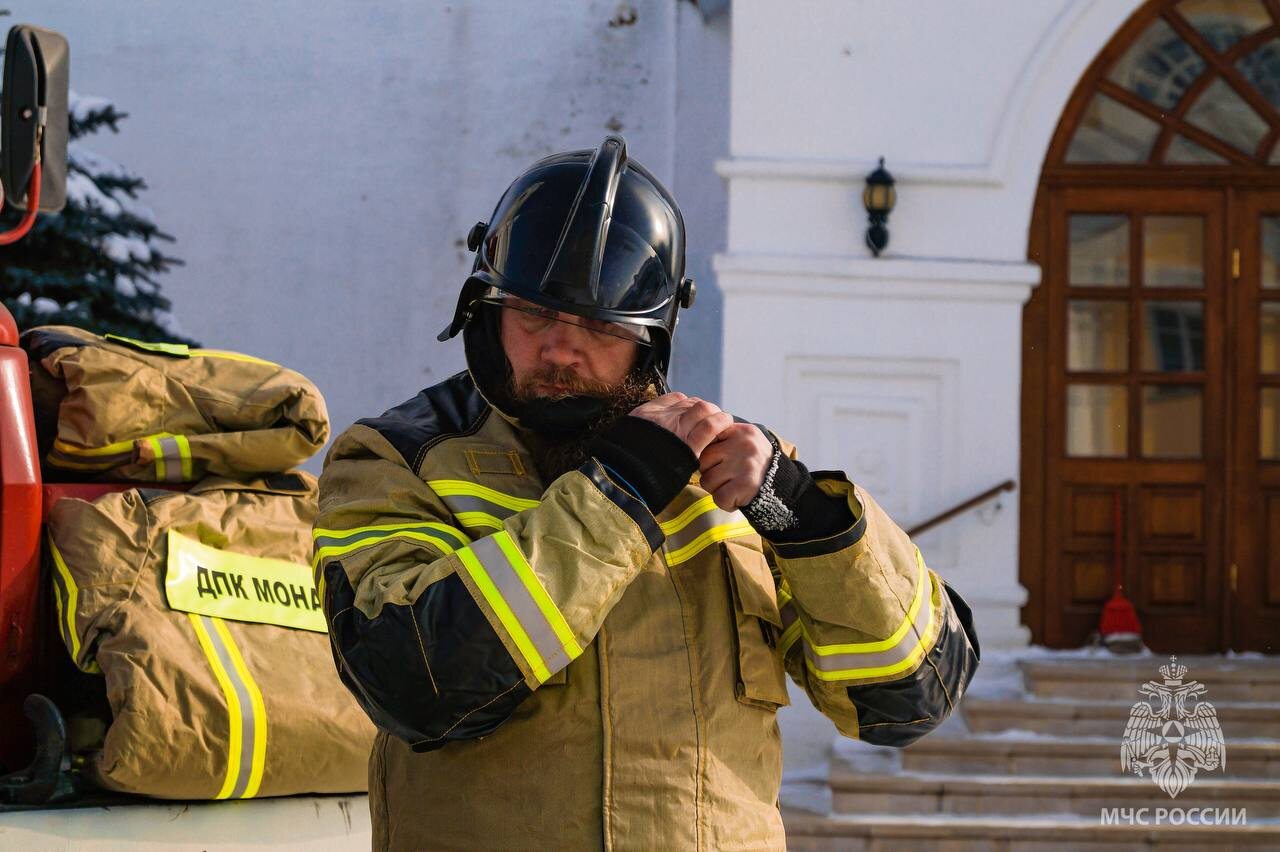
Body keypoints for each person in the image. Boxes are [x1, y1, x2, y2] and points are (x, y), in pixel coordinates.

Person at [314, 135, 979, 851]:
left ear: (651, 339)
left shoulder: (727, 477)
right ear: (486, 306)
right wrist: (618, 494)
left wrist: (804, 516)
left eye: (601, 326)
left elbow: (908, 700)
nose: (560, 350)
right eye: (534, 313)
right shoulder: (395, 459)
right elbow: (413, 683)